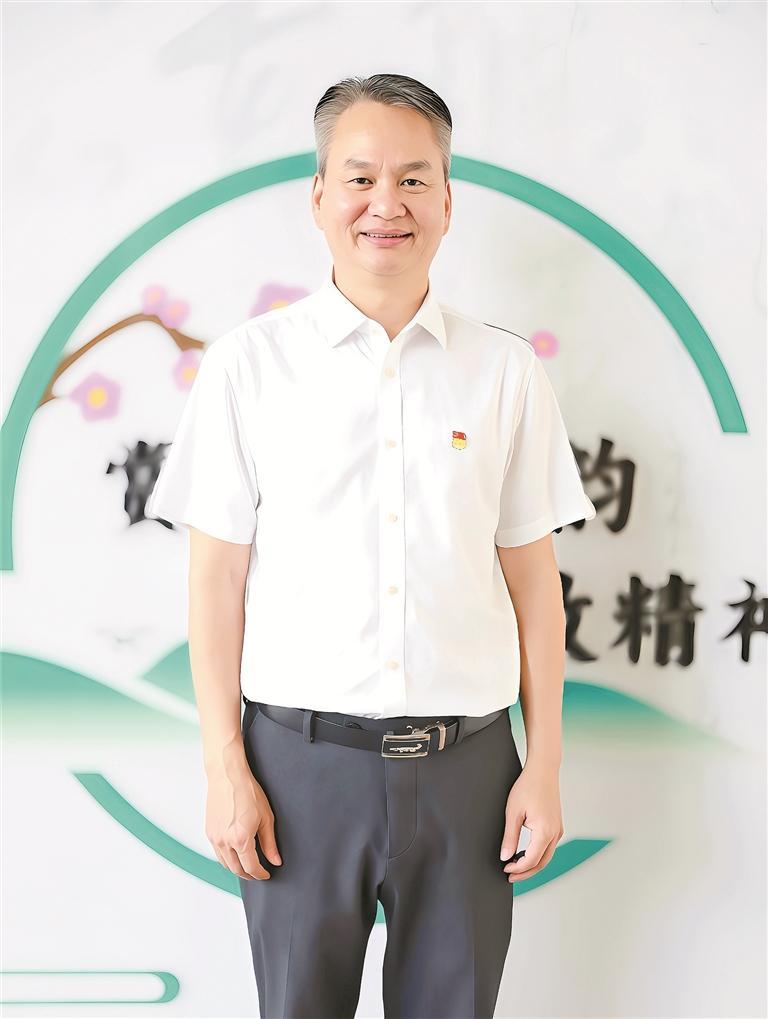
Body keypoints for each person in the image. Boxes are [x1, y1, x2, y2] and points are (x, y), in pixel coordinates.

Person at [145, 72, 597, 1019]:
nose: (385, 204)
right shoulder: (248, 366)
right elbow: (216, 581)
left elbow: (534, 587)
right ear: (319, 197)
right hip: (297, 768)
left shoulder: (505, 371)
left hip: (472, 769)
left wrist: (544, 763)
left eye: (413, 179)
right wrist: (226, 767)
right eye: (359, 178)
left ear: (447, 201)